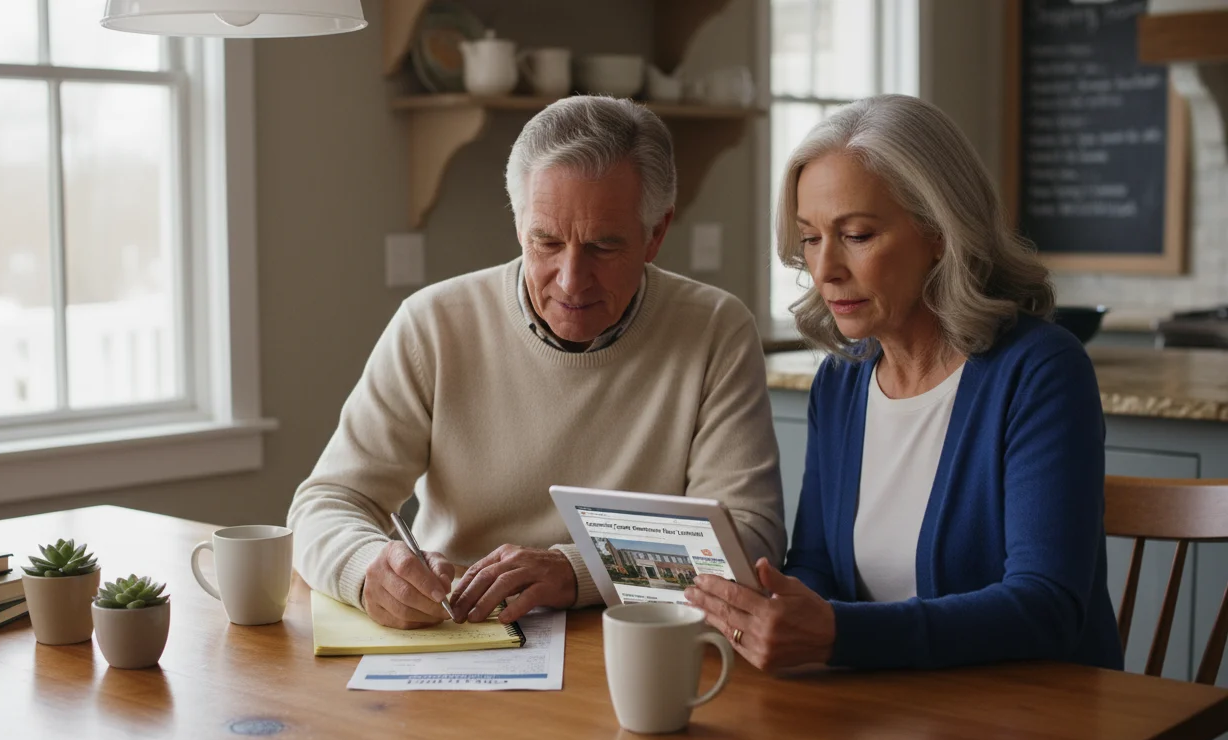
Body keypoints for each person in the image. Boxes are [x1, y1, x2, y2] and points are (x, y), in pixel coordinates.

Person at [289, 96, 785, 630]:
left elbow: (747, 542)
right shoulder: (433, 324)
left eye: (602, 247)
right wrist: (367, 569)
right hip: (457, 642)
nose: (571, 280)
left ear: (656, 235)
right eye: (545, 242)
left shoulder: (716, 330)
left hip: (636, 646)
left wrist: (575, 572)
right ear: (518, 224)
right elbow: (326, 503)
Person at [686, 94, 1123, 672]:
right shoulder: (841, 383)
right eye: (811, 238)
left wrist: (838, 634)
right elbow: (818, 564)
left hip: (1031, 726)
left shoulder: (1040, 371)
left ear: (941, 231)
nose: (824, 270)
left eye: (858, 235)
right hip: (881, 714)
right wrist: (776, 606)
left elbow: (1046, 608)